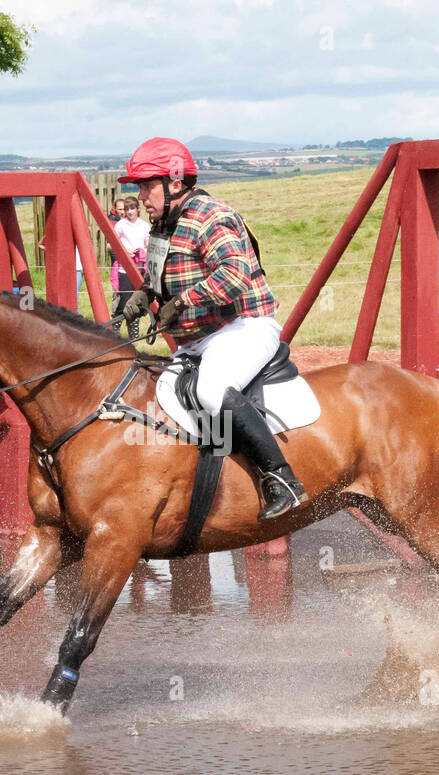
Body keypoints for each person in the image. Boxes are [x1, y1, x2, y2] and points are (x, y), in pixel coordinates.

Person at [118, 136, 306, 519]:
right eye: (138, 187)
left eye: (147, 186)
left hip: (243, 327)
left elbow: (234, 276)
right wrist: (144, 294)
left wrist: (183, 302)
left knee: (211, 389)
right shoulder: (161, 224)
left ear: (174, 183)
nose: (142, 196)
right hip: (197, 340)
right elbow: (160, 278)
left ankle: (281, 477)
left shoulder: (211, 215)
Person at [113, 196, 150, 334]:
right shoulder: (120, 225)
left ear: (137, 209)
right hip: (125, 269)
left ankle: (133, 333)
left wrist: (142, 252)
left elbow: (149, 244)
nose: (129, 212)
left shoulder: (144, 225)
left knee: (137, 301)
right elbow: (111, 245)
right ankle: (114, 329)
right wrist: (124, 251)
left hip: (140, 268)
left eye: (132, 208)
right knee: (124, 300)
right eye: (127, 209)